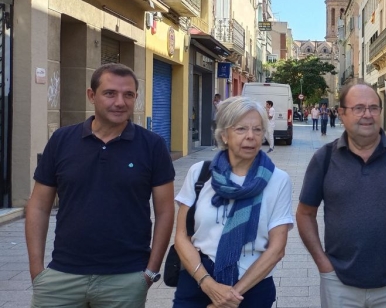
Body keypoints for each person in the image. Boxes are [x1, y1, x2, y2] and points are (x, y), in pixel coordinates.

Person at [26, 63, 176, 308]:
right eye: (110, 93)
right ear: (91, 96)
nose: (120, 102)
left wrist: (150, 272)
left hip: (125, 278)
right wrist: (37, 271)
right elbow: (39, 206)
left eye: (128, 95)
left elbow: (165, 211)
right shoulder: (62, 140)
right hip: (62, 275)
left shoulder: (152, 145)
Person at [296, 83, 386, 307]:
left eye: (373, 108)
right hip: (338, 283)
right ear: (342, 114)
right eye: (358, 108)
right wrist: (323, 264)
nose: (367, 115)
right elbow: (305, 214)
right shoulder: (324, 158)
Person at [173, 97, 293, 308]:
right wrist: (208, 284)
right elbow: (182, 236)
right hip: (197, 280)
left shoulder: (278, 179)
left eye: (257, 129)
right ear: (224, 135)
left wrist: (229, 297)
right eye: (241, 129)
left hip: (253, 286)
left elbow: (277, 248)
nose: (251, 136)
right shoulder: (200, 173)